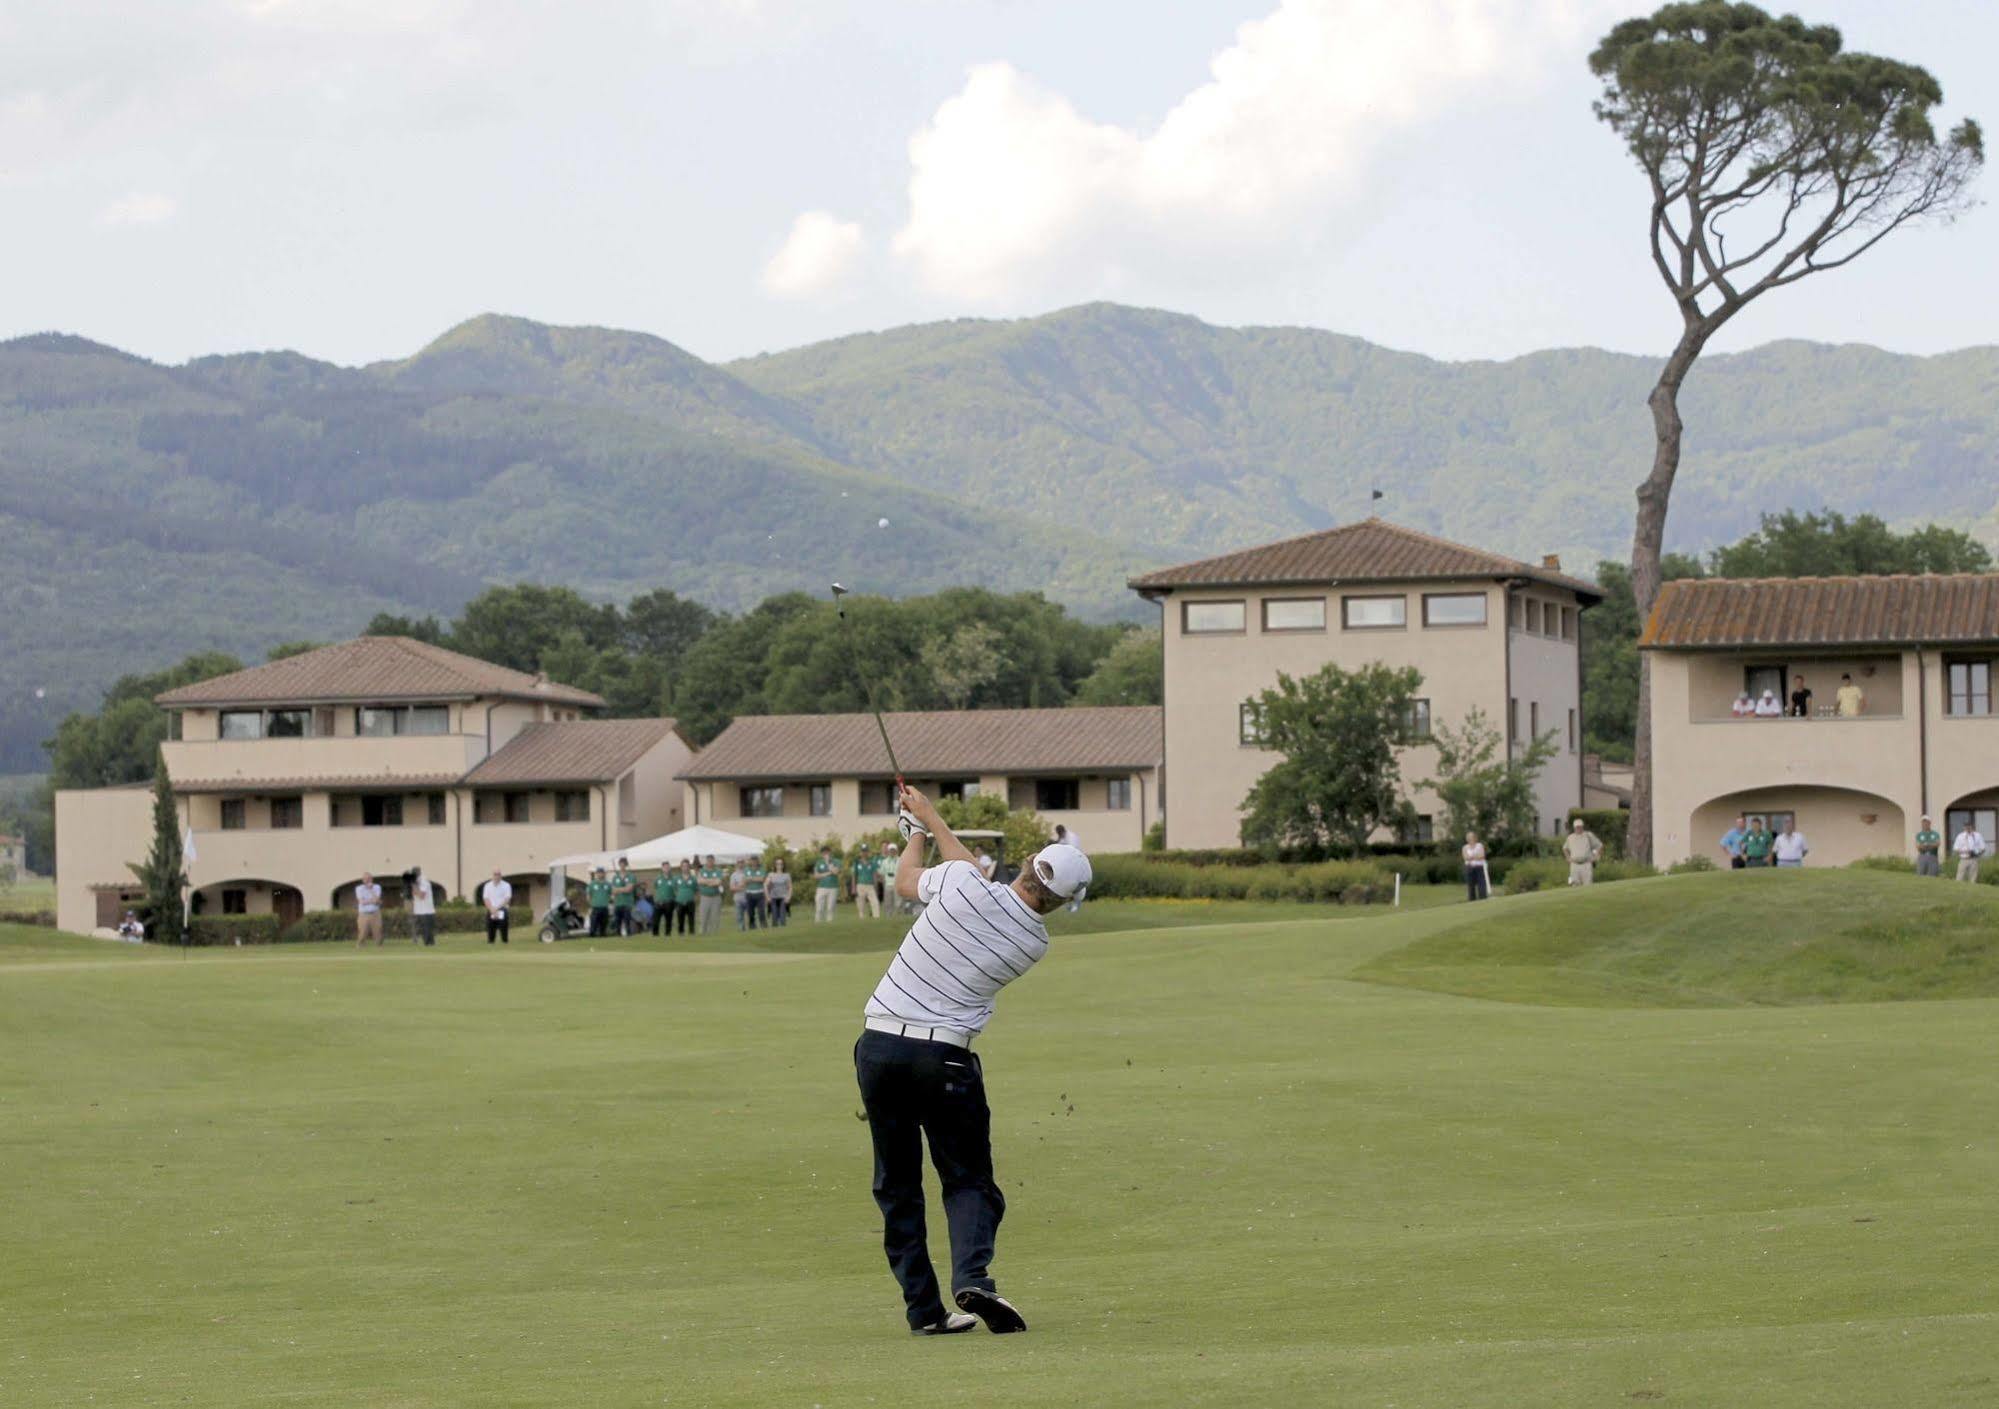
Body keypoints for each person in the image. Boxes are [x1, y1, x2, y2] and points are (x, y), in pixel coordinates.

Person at [856, 783, 1092, 1337]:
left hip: (880, 1045)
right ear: (1060, 904)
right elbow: (972, 877)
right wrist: (930, 821)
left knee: (897, 1185)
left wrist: (917, 832)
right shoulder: (1034, 942)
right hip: (946, 1061)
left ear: (1026, 864)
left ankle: (925, 1312)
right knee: (967, 1182)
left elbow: (909, 880)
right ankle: (974, 1279)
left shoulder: (962, 886)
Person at [1562, 818, 1603, 885]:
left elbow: (1600, 845)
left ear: (1582, 826)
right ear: (1574, 827)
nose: (1578, 828)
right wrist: (1568, 858)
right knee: (1574, 885)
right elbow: (1564, 848)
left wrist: (1596, 857)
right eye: (1576, 827)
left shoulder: (1588, 835)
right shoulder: (1570, 837)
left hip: (1586, 864)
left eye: (1579, 826)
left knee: (1588, 885)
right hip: (1574, 865)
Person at [611, 857, 639, 937]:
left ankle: (629, 936)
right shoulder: (615, 877)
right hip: (618, 903)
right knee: (617, 922)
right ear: (619, 865)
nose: (622, 866)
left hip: (627, 903)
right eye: (621, 864)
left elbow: (629, 889)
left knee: (627, 921)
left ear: (626, 865)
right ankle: (618, 936)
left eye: (624, 864)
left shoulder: (631, 876)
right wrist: (623, 889)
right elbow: (613, 891)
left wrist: (618, 889)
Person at [482, 869, 512, 944]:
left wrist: (497, 909)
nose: (497, 876)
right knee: (491, 927)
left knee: (503, 927)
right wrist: (491, 909)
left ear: (501, 876)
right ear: (492, 875)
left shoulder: (506, 885)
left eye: (498, 874)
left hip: (502, 909)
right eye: (495, 874)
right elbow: (486, 899)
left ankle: (505, 942)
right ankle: (491, 942)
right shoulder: (487, 886)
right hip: (491, 909)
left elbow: (507, 899)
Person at [354, 872, 384, 947]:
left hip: (375, 913)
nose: (367, 880)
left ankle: (379, 945)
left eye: (368, 879)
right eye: (365, 879)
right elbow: (361, 902)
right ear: (363, 880)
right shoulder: (359, 888)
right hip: (364, 913)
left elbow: (377, 900)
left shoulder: (377, 887)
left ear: (371, 879)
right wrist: (372, 901)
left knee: (378, 930)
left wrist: (371, 890)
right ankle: (361, 945)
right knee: (362, 931)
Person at [696, 855, 724, 934]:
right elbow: (699, 881)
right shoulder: (701, 871)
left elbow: (718, 882)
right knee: (703, 917)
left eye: (711, 860)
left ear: (714, 861)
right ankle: (703, 933)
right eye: (708, 861)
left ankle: (714, 934)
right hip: (705, 897)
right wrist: (712, 881)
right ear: (706, 861)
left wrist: (706, 881)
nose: (710, 862)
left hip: (716, 897)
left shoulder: (718, 870)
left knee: (715, 917)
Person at [852, 843, 880, 920]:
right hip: (860, 885)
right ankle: (861, 918)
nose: (864, 853)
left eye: (866, 851)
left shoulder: (872, 863)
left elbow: (874, 876)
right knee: (860, 903)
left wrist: (876, 887)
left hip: (870, 886)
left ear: (868, 852)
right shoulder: (857, 863)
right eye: (863, 851)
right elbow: (854, 876)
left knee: (875, 902)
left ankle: (876, 917)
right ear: (860, 852)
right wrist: (853, 888)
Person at [410, 867, 437, 947]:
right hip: (419, 910)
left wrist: (414, 887)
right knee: (423, 929)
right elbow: (413, 894)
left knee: (427, 929)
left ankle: (428, 944)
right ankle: (429, 944)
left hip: (426, 910)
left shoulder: (423, 881)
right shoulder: (416, 882)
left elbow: (421, 895)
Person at [814, 846, 841, 923]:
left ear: (830, 853)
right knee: (819, 907)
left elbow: (836, 872)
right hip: (821, 887)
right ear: (821, 854)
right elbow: (816, 876)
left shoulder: (836, 861)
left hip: (833, 887)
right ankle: (817, 922)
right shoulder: (819, 862)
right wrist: (829, 873)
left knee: (830, 908)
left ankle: (829, 922)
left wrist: (829, 864)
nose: (825, 854)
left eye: (827, 852)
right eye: (823, 853)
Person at [1461, 832, 1490, 900]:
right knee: (1470, 885)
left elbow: (1482, 856)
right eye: (1469, 837)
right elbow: (1465, 857)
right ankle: (1472, 899)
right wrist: (1476, 856)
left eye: (1472, 837)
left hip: (1479, 867)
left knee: (1481, 883)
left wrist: (1471, 857)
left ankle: (1483, 897)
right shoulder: (1465, 847)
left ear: (1475, 838)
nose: (1471, 839)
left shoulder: (1479, 845)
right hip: (1469, 867)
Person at [586, 867, 613, 938]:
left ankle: (603, 935)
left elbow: (611, 894)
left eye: (602, 873)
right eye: (599, 873)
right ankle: (592, 936)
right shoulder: (592, 884)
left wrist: (610, 901)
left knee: (604, 924)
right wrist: (590, 905)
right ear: (596, 874)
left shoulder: (608, 884)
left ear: (604, 874)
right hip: (595, 907)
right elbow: (588, 895)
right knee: (593, 924)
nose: (600, 874)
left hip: (604, 907)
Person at [672, 862, 698, 935]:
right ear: (681, 867)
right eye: (683, 866)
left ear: (689, 867)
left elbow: (696, 890)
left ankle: (692, 934)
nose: (685, 868)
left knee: (691, 919)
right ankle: (681, 934)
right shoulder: (676, 878)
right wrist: (679, 896)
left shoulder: (693, 878)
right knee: (680, 920)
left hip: (690, 902)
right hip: (679, 902)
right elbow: (674, 889)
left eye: (687, 866)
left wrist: (693, 898)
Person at [743, 854, 768, 929]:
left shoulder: (762, 869)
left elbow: (762, 879)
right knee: (750, 912)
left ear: (758, 861)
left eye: (755, 860)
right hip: (749, 894)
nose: (754, 862)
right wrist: (755, 879)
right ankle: (752, 926)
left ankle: (763, 925)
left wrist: (751, 879)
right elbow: (745, 880)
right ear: (750, 861)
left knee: (761, 911)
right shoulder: (746, 869)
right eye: (752, 860)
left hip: (760, 893)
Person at [766, 857, 793, 927]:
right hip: (773, 898)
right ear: (775, 865)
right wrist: (767, 897)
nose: (779, 865)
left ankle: (783, 931)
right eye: (777, 864)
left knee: (782, 918)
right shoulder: (771, 874)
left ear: (783, 865)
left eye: (781, 864)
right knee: (774, 917)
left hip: (783, 898)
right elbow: (765, 885)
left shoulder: (786, 875)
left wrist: (788, 897)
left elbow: (790, 887)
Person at [878, 842, 902, 916]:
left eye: (893, 850)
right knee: (888, 902)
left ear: (896, 851)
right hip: (888, 884)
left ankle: (898, 915)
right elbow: (881, 873)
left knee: (898, 902)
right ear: (888, 851)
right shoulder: (885, 862)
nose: (892, 852)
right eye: (890, 850)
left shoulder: (900, 860)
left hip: (897, 883)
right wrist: (883, 882)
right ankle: (888, 916)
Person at [650, 866, 675, 936]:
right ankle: (655, 936)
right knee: (655, 921)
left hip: (669, 903)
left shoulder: (673, 879)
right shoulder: (658, 878)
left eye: (667, 867)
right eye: (664, 867)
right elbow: (655, 888)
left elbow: (676, 889)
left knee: (668, 921)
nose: (666, 869)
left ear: (669, 868)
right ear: (662, 869)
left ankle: (667, 935)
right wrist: (656, 898)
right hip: (659, 903)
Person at [730, 862, 749, 930]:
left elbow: (750, 884)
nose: (741, 864)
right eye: (739, 862)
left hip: (748, 898)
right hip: (738, 899)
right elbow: (732, 888)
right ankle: (742, 930)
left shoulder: (748, 873)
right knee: (739, 917)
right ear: (737, 864)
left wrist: (737, 886)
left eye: (742, 862)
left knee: (749, 915)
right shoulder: (733, 875)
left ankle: (750, 930)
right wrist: (741, 886)